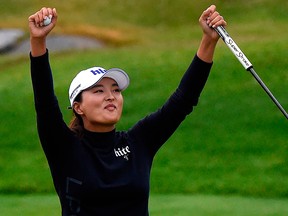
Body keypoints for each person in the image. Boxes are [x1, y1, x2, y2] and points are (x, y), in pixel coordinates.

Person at [28, 5, 226, 216]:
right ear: (79, 107)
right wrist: (38, 41)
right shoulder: (64, 147)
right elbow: (44, 102)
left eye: (115, 89)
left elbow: (183, 101)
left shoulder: (138, 142)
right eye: (98, 91)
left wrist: (208, 40)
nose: (110, 96)